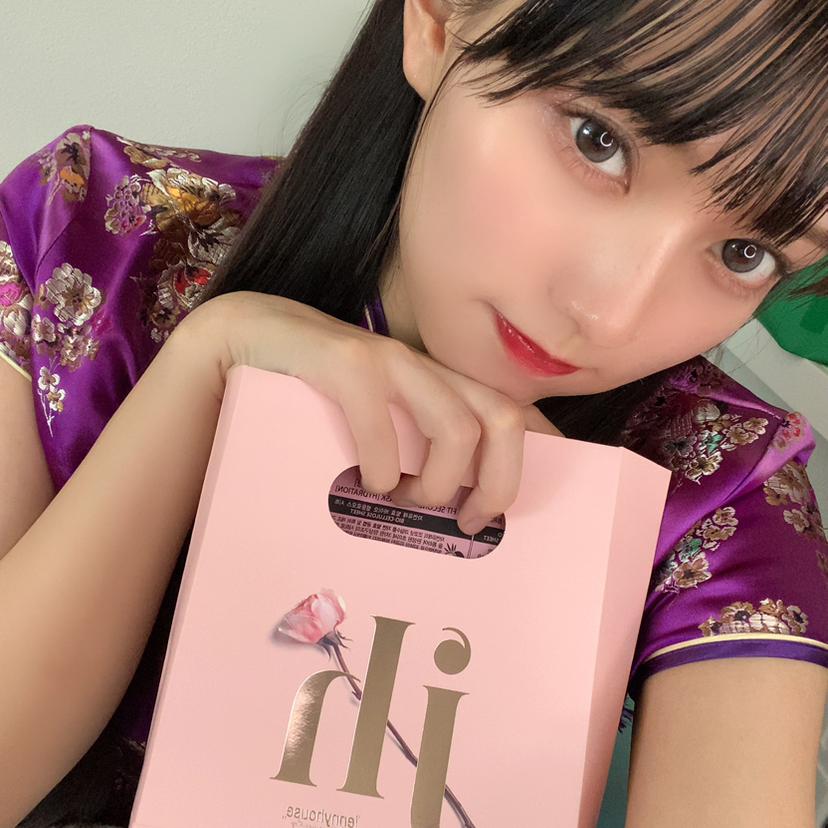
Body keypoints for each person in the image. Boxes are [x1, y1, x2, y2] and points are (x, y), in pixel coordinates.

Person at [1, 0, 827, 825]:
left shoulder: (719, 494)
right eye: (596, 140)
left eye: (744, 254)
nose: (609, 314)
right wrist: (205, 363)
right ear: (438, 22)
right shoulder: (94, 240)